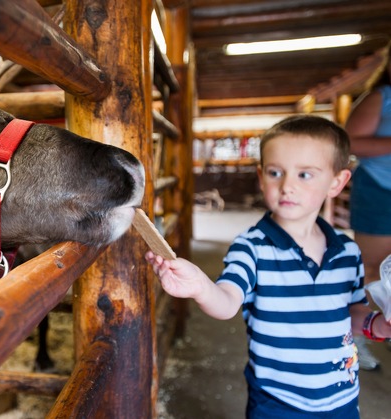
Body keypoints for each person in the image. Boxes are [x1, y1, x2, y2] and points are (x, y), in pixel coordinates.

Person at [146, 115, 391, 418]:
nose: (287, 185)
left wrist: (379, 325)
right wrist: (200, 286)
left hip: (341, 398)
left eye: (305, 175)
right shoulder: (252, 248)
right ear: (261, 178)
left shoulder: (348, 252)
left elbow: (351, 316)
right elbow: (227, 302)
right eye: (276, 172)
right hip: (275, 403)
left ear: (337, 182)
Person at [345, 61, 391, 369]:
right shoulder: (381, 97)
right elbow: (349, 141)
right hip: (380, 189)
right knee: (373, 268)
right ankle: (359, 339)